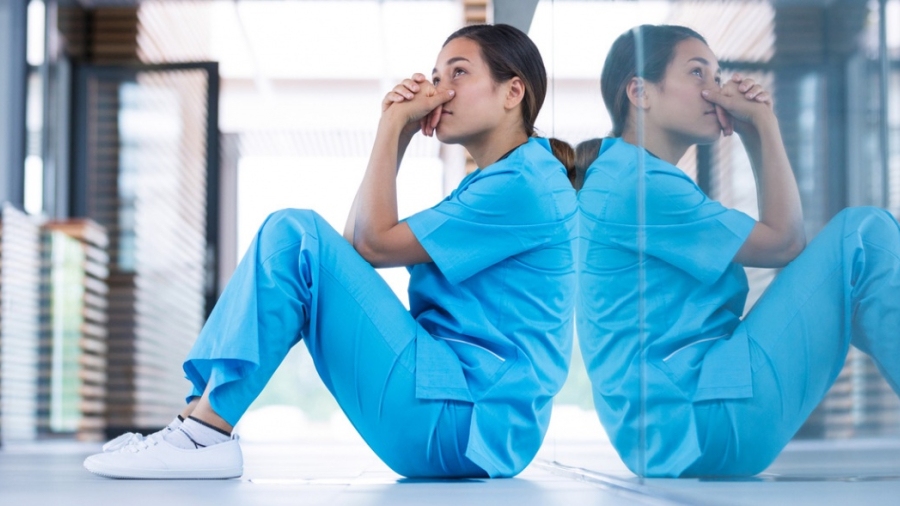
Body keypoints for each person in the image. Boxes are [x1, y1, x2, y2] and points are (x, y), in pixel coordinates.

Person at [84, 23, 578, 480]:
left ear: (514, 91)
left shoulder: (524, 185)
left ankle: (203, 434)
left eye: (458, 73)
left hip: (463, 420)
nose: (439, 90)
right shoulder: (500, 180)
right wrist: (399, 133)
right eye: (435, 75)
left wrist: (391, 126)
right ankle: (195, 426)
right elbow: (358, 244)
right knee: (299, 240)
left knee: (294, 233)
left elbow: (368, 243)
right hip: (454, 411)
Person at [577, 24, 900, 478]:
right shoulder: (639, 184)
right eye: (697, 73)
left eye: (717, 73)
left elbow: (783, 240)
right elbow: (785, 243)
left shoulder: (623, 175)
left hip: (678, 429)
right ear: (640, 92)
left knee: (861, 257)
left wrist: (753, 129)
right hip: (705, 417)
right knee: (864, 235)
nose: (716, 90)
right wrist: (762, 122)